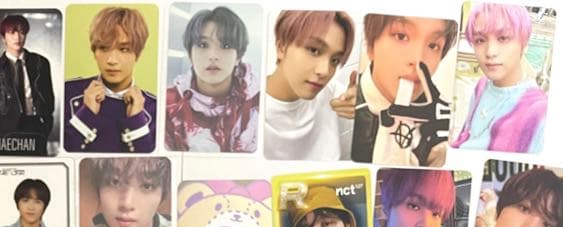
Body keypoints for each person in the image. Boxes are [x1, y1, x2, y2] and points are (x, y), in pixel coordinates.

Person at [352, 15, 458, 166]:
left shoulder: (443, 125)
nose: (417, 60)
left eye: (433, 45)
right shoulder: (346, 104)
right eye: (401, 36)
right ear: (370, 46)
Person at [452, 3, 548, 154]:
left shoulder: (539, 113)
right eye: (480, 40)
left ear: (524, 44)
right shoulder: (482, 85)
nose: (490, 52)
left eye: (503, 38)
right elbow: (466, 134)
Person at [264, 9, 356, 160]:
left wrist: (364, 101)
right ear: (281, 47)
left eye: (335, 60)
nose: (325, 71)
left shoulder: (330, 93)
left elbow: (355, 98)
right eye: (314, 50)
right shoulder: (247, 113)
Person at [165, 5, 259, 153]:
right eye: (203, 45)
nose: (213, 56)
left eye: (225, 45)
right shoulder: (168, 105)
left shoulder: (258, 104)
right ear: (190, 54)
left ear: (238, 56)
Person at [64, 6, 156, 153]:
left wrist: (136, 120)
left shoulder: (154, 108)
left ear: (137, 54)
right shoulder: (68, 92)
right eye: (104, 48)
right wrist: (86, 114)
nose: (112, 60)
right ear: (94, 51)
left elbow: (150, 165)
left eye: (124, 49)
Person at [0, 13, 55, 156]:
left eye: (22, 32)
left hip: (35, 128)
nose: (17, 37)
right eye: (12, 32)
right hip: (8, 133)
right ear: (3, 38)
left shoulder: (41, 63)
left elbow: (49, 98)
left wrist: (44, 127)